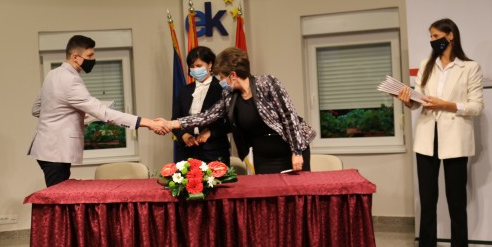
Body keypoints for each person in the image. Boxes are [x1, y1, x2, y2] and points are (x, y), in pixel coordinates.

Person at [396, 18, 483, 247]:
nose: (432, 41)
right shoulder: (426, 64)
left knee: (456, 199)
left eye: (436, 36)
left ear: (450, 35)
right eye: (431, 37)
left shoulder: (470, 67)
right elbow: (418, 101)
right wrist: (407, 100)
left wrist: (447, 105)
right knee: (427, 199)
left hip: (455, 138)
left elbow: (476, 106)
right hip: (427, 138)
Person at [29, 34, 168, 187]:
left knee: (59, 193)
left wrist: (68, 114)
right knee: (58, 197)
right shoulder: (71, 80)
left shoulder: (52, 74)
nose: (93, 59)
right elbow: (105, 113)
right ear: (75, 57)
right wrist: (148, 123)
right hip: (56, 150)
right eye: (89, 55)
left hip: (46, 148)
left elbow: (36, 109)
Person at [164, 47, 315, 174]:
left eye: (222, 77)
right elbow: (206, 116)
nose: (221, 82)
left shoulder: (267, 83)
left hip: (290, 150)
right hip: (263, 155)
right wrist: (171, 124)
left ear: (233, 75)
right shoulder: (229, 95)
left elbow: (289, 117)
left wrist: (297, 151)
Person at [171, 46, 231, 164]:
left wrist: (210, 132)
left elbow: (230, 121)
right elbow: (175, 119)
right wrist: (184, 135)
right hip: (187, 151)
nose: (195, 69)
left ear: (210, 65)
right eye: (192, 66)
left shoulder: (222, 88)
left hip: (214, 150)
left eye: (199, 66)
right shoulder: (184, 90)